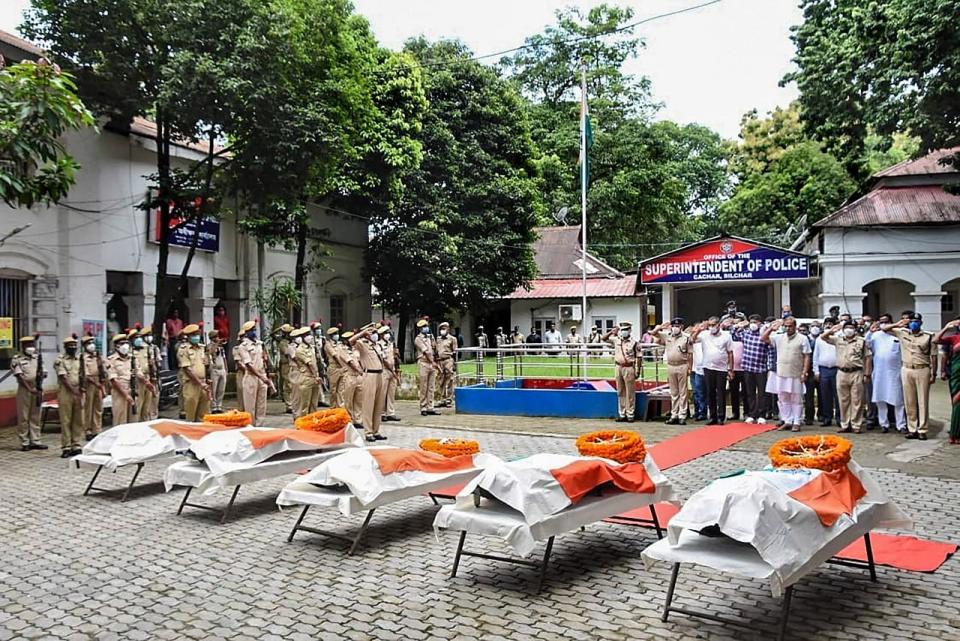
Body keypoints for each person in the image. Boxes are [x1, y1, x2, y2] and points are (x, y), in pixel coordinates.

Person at [883, 313, 937, 440]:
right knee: (909, 400)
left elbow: (933, 356)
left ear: (921, 323)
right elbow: (884, 329)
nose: (914, 323)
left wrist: (934, 373)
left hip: (922, 369)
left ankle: (922, 429)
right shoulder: (902, 333)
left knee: (922, 401)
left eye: (916, 321)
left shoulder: (928, 336)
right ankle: (912, 428)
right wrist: (898, 323)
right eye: (912, 321)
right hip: (906, 369)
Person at [822, 320, 872, 434]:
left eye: (851, 327)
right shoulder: (838, 339)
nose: (849, 329)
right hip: (841, 372)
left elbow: (868, 358)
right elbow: (823, 337)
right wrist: (832, 329)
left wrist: (867, 374)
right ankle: (845, 424)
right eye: (847, 327)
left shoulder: (861, 341)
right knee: (843, 400)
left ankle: (856, 424)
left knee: (857, 400)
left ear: (855, 329)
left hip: (856, 372)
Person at [762, 317, 812, 432]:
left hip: (796, 373)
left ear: (795, 327)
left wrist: (805, 372)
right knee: (782, 398)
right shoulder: (779, 337)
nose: (788, 328)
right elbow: (763, 338)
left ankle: (797, 421)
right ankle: (787, 420)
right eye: (786, 326)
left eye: (790, 326)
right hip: (781, 373)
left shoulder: (803, 338)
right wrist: (771, 328)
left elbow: (807, 356)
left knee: (796, 398)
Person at [866, 314, 906, 433]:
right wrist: (870, 331)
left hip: (895, 372)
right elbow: (866, 343)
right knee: (880, 399)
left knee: (898, 399)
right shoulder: (876, 335)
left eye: (886, 321)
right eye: (881, 322)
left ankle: (901, 425)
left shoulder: (898, 334)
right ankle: (884, 424)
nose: (884, 324)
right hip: (879, 372)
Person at [690, 317, 734, 425]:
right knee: (710, 392)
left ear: (718, 325)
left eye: (713, 325)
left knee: (721, 392)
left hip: (721, 368)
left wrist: (730, 369)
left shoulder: (726, 336)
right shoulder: (704, 334)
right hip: (708, 367)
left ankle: (721, 416)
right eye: (710, 325)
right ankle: (713, 416)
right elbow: (692, 340)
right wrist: (699, 330)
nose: (712, 327)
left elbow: (730, 353)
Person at [351, 324, 388, 442]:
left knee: (379, 405)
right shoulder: (362, 344)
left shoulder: (377, 345)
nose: (375, 334)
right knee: (368, 404)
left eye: (375, 332)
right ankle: (368, 432)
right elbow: (351, 341)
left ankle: (376, 430)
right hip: (369, 375)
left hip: (380, 374)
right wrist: (362, 333)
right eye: (372, 332)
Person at [730, 314, 770, 424]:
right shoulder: (746, 334)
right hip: (748, 368)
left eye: (756, 322)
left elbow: (770, 347)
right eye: (752, 322)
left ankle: (761, 414)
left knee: (762, 393)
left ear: (760, 323)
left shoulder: (764, 335)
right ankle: (752, 414)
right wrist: (739, 325)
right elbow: (733, 335)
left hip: (761, 368)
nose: (753, 325)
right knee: (750, 392)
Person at [13, 335, 47, 451]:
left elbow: (44, 372)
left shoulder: (37, 358)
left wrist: (40, 379)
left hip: (37, 389)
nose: (30, 347)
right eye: (28, 345)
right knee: (24, 416)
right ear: (23, 346)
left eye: (32, 345)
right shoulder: (17, 359)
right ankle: (25, 442)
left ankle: (35, 440)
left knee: (35, 416)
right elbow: (20, 376)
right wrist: (29, 388)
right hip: (25, 390)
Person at [654, 318, 691, 425]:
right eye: (674, 326)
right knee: (674, 392)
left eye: (677, 326)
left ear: (681, 327)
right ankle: (674, 414)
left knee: (683, 392)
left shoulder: (686, 338)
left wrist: (690, 367)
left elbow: (690, 354)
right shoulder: (667, 336)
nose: (675, 328)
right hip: (671, 366)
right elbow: (653, 333)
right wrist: (660, 327)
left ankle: (682, 415)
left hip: (682, 365)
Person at [604, 322, 641, 422]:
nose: (624, 331)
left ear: (630, 330)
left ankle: (630, 414)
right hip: (618, 366)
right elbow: (604, 338)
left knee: (630, 391)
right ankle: (622, 413)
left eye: (626, 329)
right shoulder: (616, 340)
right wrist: (611, 332)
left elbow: (639, 357)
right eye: (622, 329)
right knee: (620, 391)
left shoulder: (634, 342)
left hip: (629, 367)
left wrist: (638, 370)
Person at [237, 320, 272, 426]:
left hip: (262, 375)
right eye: (252, 330)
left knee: (261, 404)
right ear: (246, 333)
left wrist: (265, 374)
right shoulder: (243, 346)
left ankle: (260, 425)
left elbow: (264, 359)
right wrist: (261, 377)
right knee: (250, 405)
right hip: (251, 376)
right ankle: (250, 426)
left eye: (254, 330)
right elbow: (248, 365)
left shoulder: (259, 344)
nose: (254, 332)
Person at [54, 335, 84, 458]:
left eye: (74, 345)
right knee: (66, 420)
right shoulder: (60, 360)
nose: (72, 347)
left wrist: (82, 389)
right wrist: (74, 391)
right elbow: (63, 377)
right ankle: (66, 447)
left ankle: (76, 445)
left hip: (78, 390)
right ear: (65, 347)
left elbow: (82, 374)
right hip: (66, 392)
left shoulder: (79, 359)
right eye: (70, 346)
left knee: (78, 420)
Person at [934, 318, 960, 444]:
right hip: (956, 375)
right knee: (957, 405)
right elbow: (935, 340)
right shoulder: (954, 338)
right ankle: (955, 433)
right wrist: (946, 327)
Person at [178, 324, 210, 422]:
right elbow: (187, 369)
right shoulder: (184, 349)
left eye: (198, 334)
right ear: (189, 336)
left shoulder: (202, 348)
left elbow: (206, 364)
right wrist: (200, 383)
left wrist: (208, 363)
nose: (197, 336)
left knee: (203, 414)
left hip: (203, 383)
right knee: (191, 414)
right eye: (194, 334)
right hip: (191, 384)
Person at [812, 318, 841, 427]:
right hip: (823, 369)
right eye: (827, 324)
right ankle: (826, 418)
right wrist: (816, 371)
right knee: (825, 395)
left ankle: (839, 418)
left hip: (836, 369)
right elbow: (816, 355)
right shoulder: (820, 338)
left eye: (831, 324)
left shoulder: (839, 337)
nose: (828, 326)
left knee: (838, 396)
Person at [79, 334, 107, 440]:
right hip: (90, 384)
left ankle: (97, 429)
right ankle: (88, 430)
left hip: (98, 383)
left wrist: (102, 383)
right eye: (89, 343)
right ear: (85, 346)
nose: (92, 345)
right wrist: (96, 384)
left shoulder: (98, 356)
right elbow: (85, 374)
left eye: (92, 343)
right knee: (88, 408)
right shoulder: (83, 358)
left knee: (98, 407)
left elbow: (103, 369)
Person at [106, 334, 135, 426]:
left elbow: (138, 373)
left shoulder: (132, 358)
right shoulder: (111, 360)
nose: (125, 346)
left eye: (127, 343)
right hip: (119, 392)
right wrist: (126, 395)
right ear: (116, 346)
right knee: (120, 421)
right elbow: (113, 380)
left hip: (132, 390)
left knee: (133, 421)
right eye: (122, 343)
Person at [291, 327, 320, 418]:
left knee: (314, 404)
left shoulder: (311, 347)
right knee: (304, 405)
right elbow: (309, 364)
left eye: (309, 334)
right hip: (306, 378)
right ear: (303, 337)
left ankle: (312, 423)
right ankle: (302, 423)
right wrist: (316, 376)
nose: (310, 337)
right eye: (307, 335)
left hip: (314, 378)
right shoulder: (299, 350)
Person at [338, 331, 365, 426]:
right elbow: (350, 362)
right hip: (349, 375)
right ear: (345, 341)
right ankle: (348, 420)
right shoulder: (342, 349)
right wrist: (359, 370)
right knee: (348, 400)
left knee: (359, 399)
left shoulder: (355, 349)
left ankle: (358, 420)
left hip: (358, 376)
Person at [414, 320, 440, 416]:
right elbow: (426, 352)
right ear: (420, 328)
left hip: (431, 364)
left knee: (431, 386)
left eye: (427, 326)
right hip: (424, 363)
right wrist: (433, 362)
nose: (426, 328)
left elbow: (433, 350)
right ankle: (423, 407)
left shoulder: (430, 337)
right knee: (424, 386)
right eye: (424, 326)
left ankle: (430, 407)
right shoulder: (418, 339)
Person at [132, 327, 158, 421]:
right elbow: (135, 368)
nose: (138, 340)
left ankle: (145, 422)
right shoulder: (131, 351)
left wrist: (153, 371)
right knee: (139, 404)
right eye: (136, 337)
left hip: (148, 377)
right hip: (138, 380)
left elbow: (154, 365)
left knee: (147, 405)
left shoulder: (147, 349)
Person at [725, 319, 745, 421]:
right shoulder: (729, 339)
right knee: (734, 392)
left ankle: (747, 413)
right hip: (733, 369)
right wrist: (729, 368)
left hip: (745, 369)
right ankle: (735, 413)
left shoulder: (745, 337)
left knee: (746, 392)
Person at [380, 326, 402, 422]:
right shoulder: (379, 344)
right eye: (385, 333)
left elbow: (395, 357)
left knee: (391, 393)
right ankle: (382, 413)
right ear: (381, 334)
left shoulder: (390, 344)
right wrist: (391, 369)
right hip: (385, 370)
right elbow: (383, 359)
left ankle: (390, 412)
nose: (387, 335)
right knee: (383, 393)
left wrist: (396, 369)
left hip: (392, 370)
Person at [436, 321, 458, 408]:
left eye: (444, 328)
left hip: (448, 360)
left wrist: (455, 363)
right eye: (441, 329)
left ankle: (449, 399)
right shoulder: (438, 339)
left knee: (450, 379)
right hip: (440, 361)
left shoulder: (452, 339)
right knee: (441, 380)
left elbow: (455, 351)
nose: (443, 330)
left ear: (448, 329)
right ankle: (442, 399)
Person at [276, 323, 295, 414]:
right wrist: (280, 328)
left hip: (293, 365)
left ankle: (293, 403)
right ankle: (289, 405)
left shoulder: (292, 342)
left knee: (293, 384)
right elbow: (288, 353)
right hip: (286, 365)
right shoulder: (283, 343)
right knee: (288, 385)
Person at [207, 330, 227, 413]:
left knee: (221, 389)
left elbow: (224, 358)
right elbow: (210, 352)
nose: (217, 338)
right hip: (214, 369)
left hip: (222, 369)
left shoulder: (221, 347)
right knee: (213, 389)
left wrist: (226, 369)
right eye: (215, 337)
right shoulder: (209, 346)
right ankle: (214, 407)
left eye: (217, 336)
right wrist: (216, 344)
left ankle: (219, 406)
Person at [324, 327, 344, 408]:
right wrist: (343, 364)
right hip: (334, 368)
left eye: (337, 333)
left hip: (341, 368)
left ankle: (340, 407)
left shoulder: (339, 344)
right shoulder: (328, 345)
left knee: (341, 389)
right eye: (335, 334)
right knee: (333, 389)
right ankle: (333, 406)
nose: (337, 335)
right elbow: (335, 356)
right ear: (331, 336)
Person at [231, 330, 246, 412]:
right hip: (242, 372)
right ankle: (241, 410)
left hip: (251, 372)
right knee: (241, 391)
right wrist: (247, 370)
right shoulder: (236, 348)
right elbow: (238, 362)